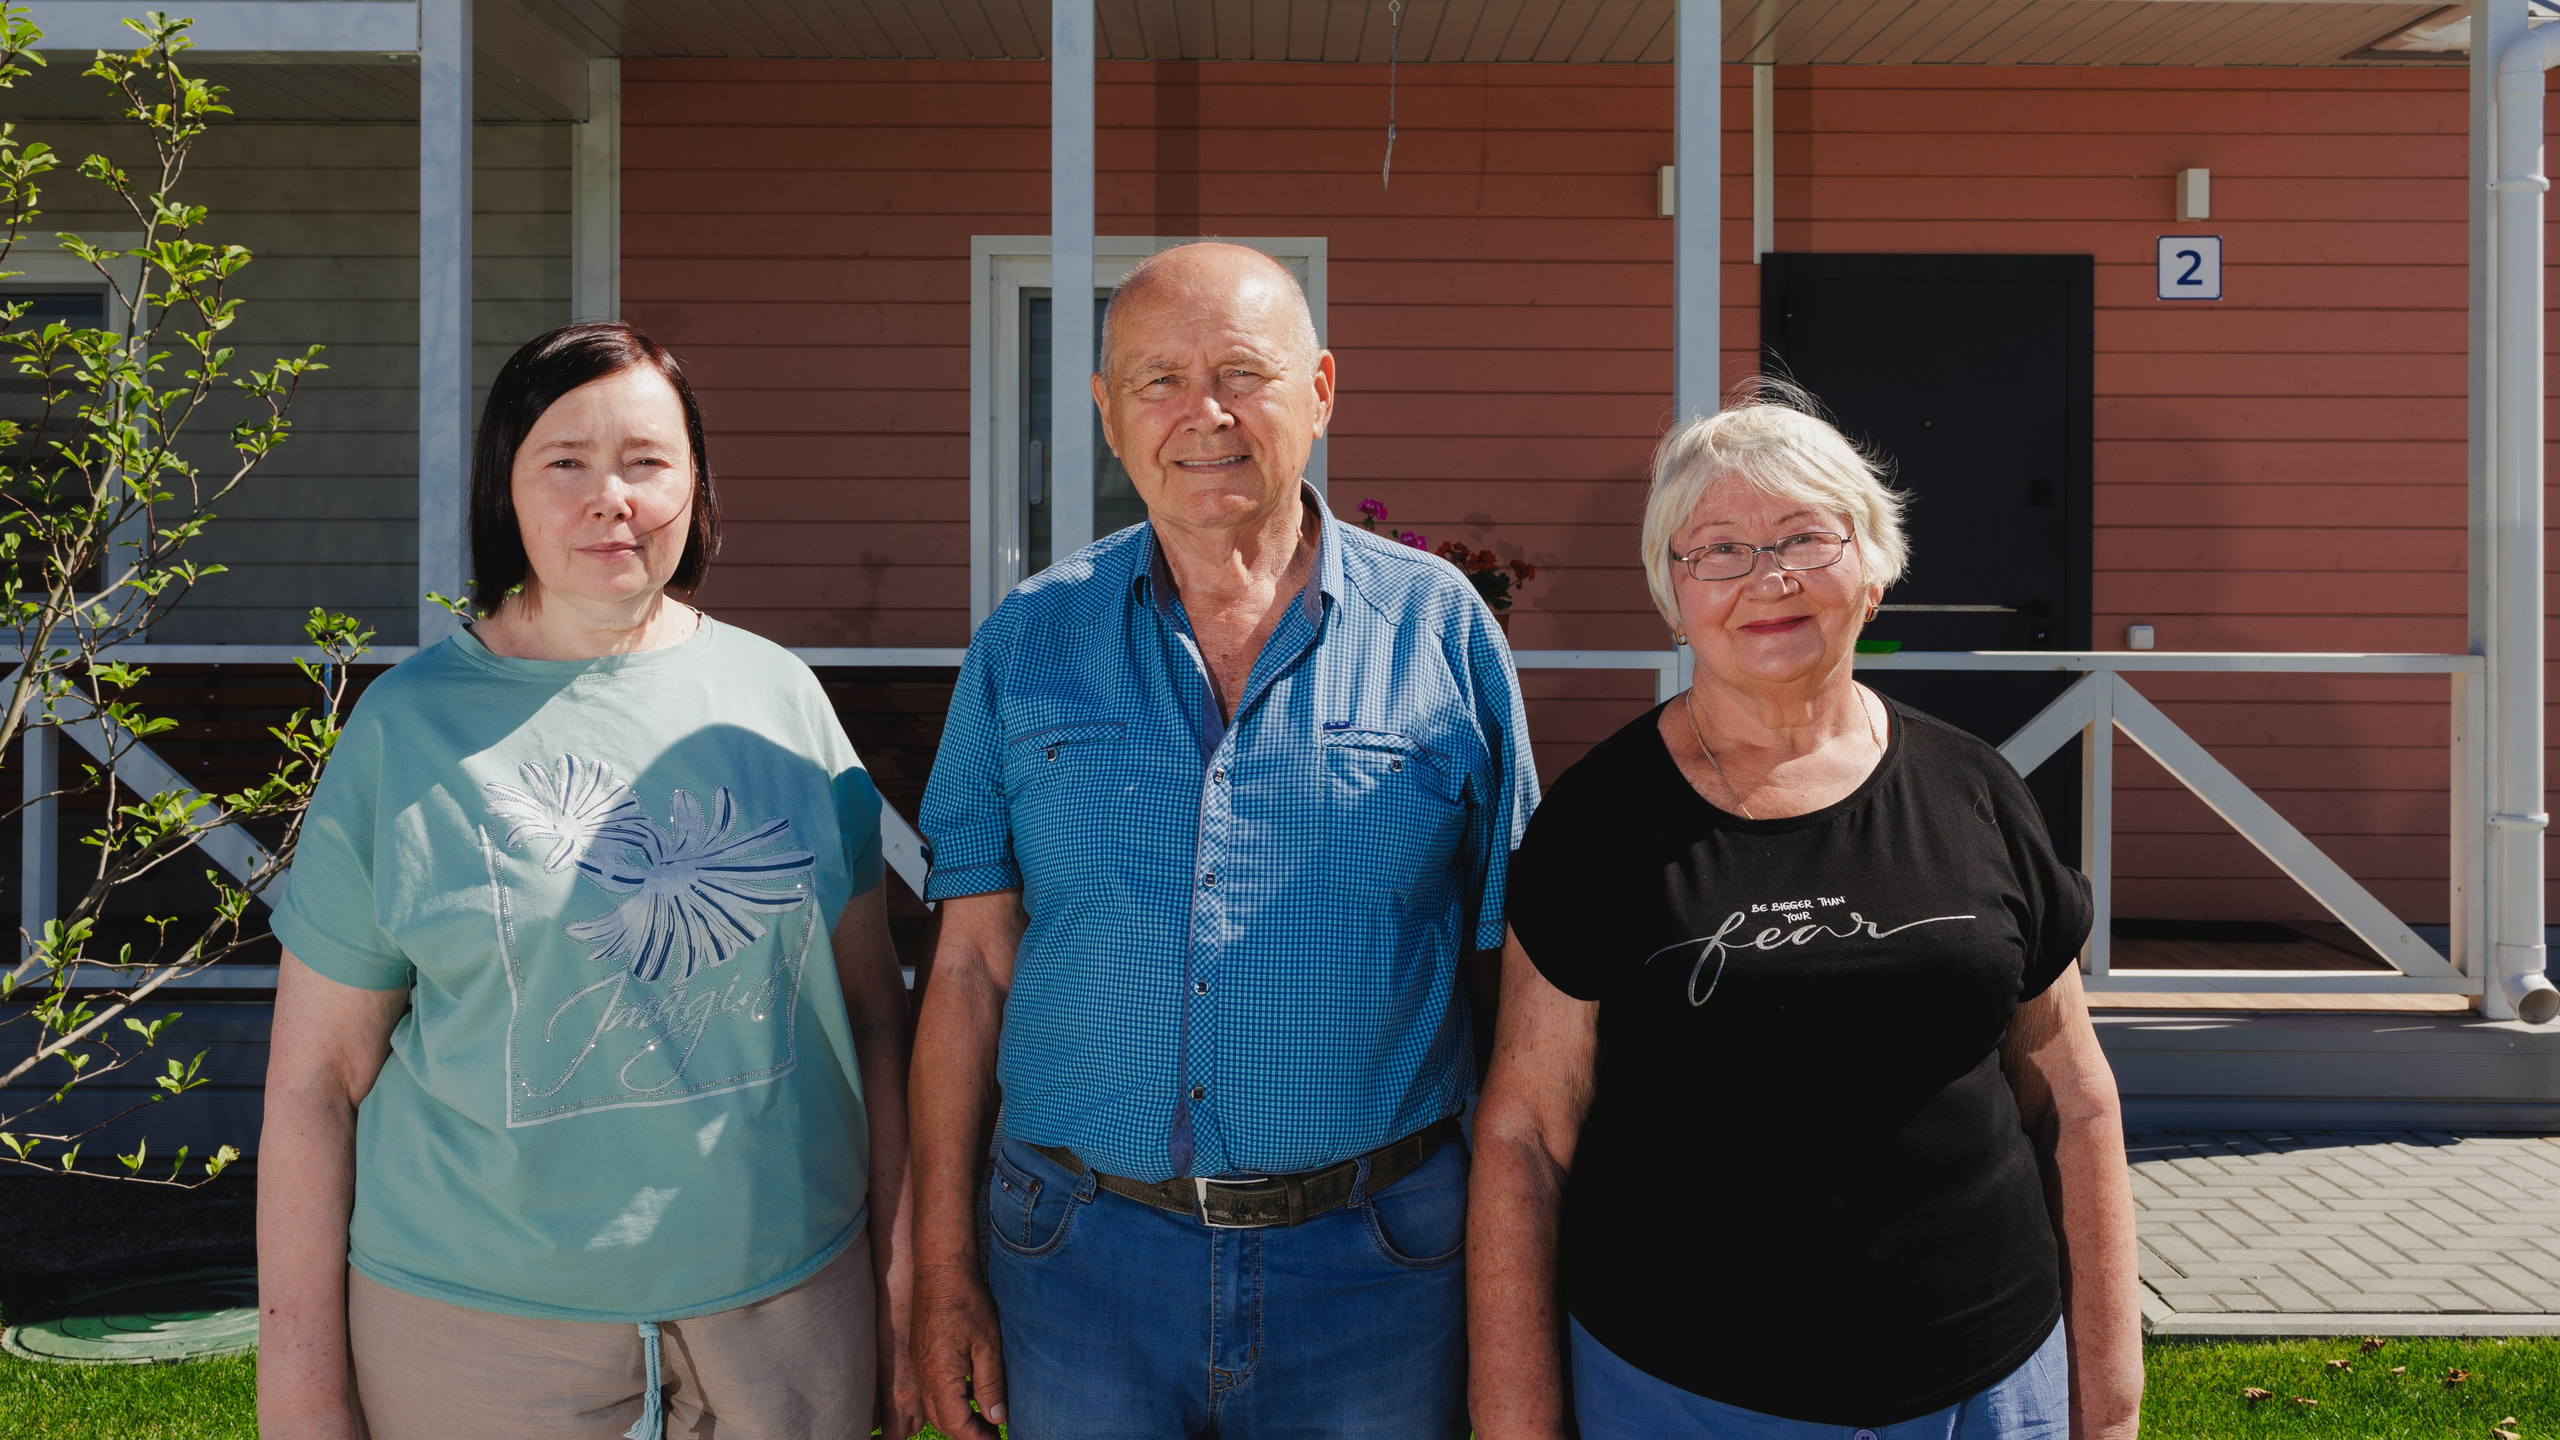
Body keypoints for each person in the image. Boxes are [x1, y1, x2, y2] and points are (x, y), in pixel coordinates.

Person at [909, 241, 1537, 1440]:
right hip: (1077, 1266)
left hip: (1380, 1265)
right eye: (1157, 380)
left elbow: (1516, 972)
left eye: (1242, 372)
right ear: (1105, 411)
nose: (1204, 415)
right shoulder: (1026, 642)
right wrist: (941, 1269)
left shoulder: (1439, 632)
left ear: (1320, 390)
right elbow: (970, 971)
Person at [256, 323, 916, 1440]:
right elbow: (313, 1086)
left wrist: (901, 1281)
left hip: (791, 1317)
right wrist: (303, 1391)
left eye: (648, 461)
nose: (612, 498)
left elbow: (869, 1016)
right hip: (476, 1338)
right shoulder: (408, 727)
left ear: (696, 486)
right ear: (503, 490)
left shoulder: (780, 698)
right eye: (564, 462)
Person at [1469, 388, 2142, 1440]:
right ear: (1672, 592)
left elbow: (2073, 1093)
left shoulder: (1976, 791)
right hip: (1680, 1393)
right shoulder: (1595, 825)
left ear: (1872, 568)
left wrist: (2107, 1401)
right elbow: (1524, 1140)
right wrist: (1516, 1420)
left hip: (1985, 1387)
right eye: (1718, 550)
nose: (1767, 578)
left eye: (1803, 537)